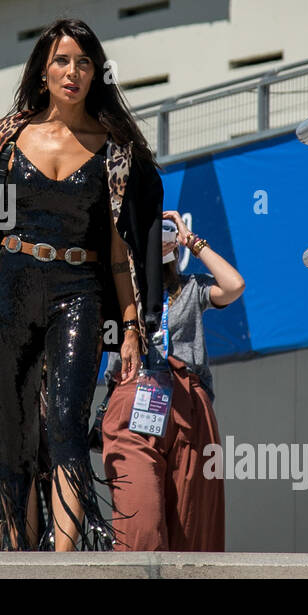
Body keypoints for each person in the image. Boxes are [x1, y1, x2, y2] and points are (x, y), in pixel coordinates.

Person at [0, 18, 164, 551]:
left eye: (84, 62)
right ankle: (18, 554)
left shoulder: (116, 150)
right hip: (9, 287)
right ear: (42, 73)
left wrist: (130, 324)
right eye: (62, 61)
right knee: (15, 435)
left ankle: (63, 560)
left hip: (78, 290)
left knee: (65, 425)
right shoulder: (5, 138)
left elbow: (120, 251)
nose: (73, 72)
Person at [103, 210, 244, 551]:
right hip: (134, 396)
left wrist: (191, 240)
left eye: (162, 236)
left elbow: (234, 285)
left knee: (192, 533)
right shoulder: (119, 297)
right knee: (141, 528)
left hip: (189, 405)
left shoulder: (191, 288)